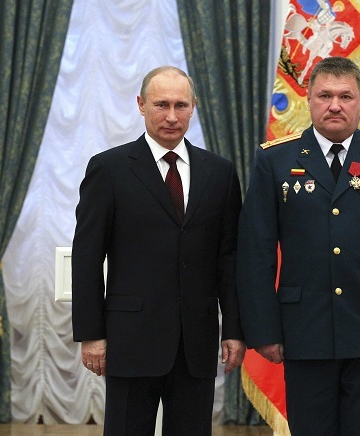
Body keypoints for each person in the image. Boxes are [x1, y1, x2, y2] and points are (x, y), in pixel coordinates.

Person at [237, 56, 360, 435]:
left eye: (345, 96)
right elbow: (255, 253)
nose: (335, 105)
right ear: (308, 100)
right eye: (325, 95)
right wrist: (264, 331)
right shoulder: (275, 159)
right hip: (303, 330)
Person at [72, 66, 246, 436]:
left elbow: (228, 259)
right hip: (130, 341)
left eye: (181, 105)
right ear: (140, 105)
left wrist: (233, 329)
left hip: (195, 344)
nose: (171, 116)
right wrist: (91, 334)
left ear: (194, 107)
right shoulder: (109, 169)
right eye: (161, 104)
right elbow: (87, 256)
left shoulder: (220, 173)